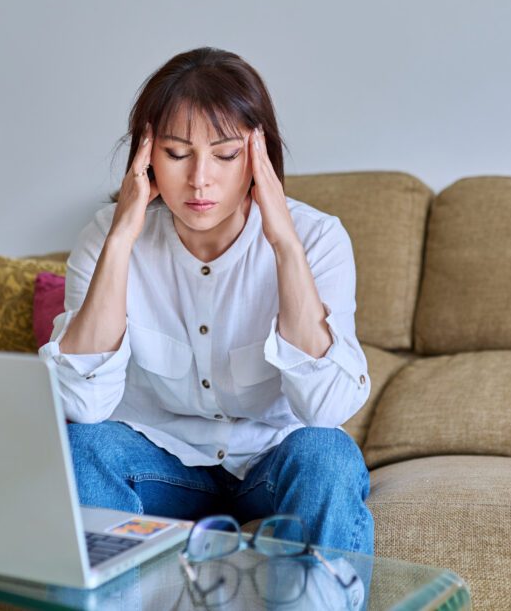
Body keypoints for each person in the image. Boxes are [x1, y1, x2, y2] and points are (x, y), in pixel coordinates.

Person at [38, 47, 374, 556]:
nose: (200, 180)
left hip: (269, 460)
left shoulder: (316, 237)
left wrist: (284, 244)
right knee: (82, 449)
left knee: (328, 454)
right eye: (176, 154)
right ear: (146, 155)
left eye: (224, 155)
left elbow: (326, 408)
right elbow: (83, 405)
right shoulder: (107, 238)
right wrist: (122, 240)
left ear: (258, 155)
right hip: (161, 464)